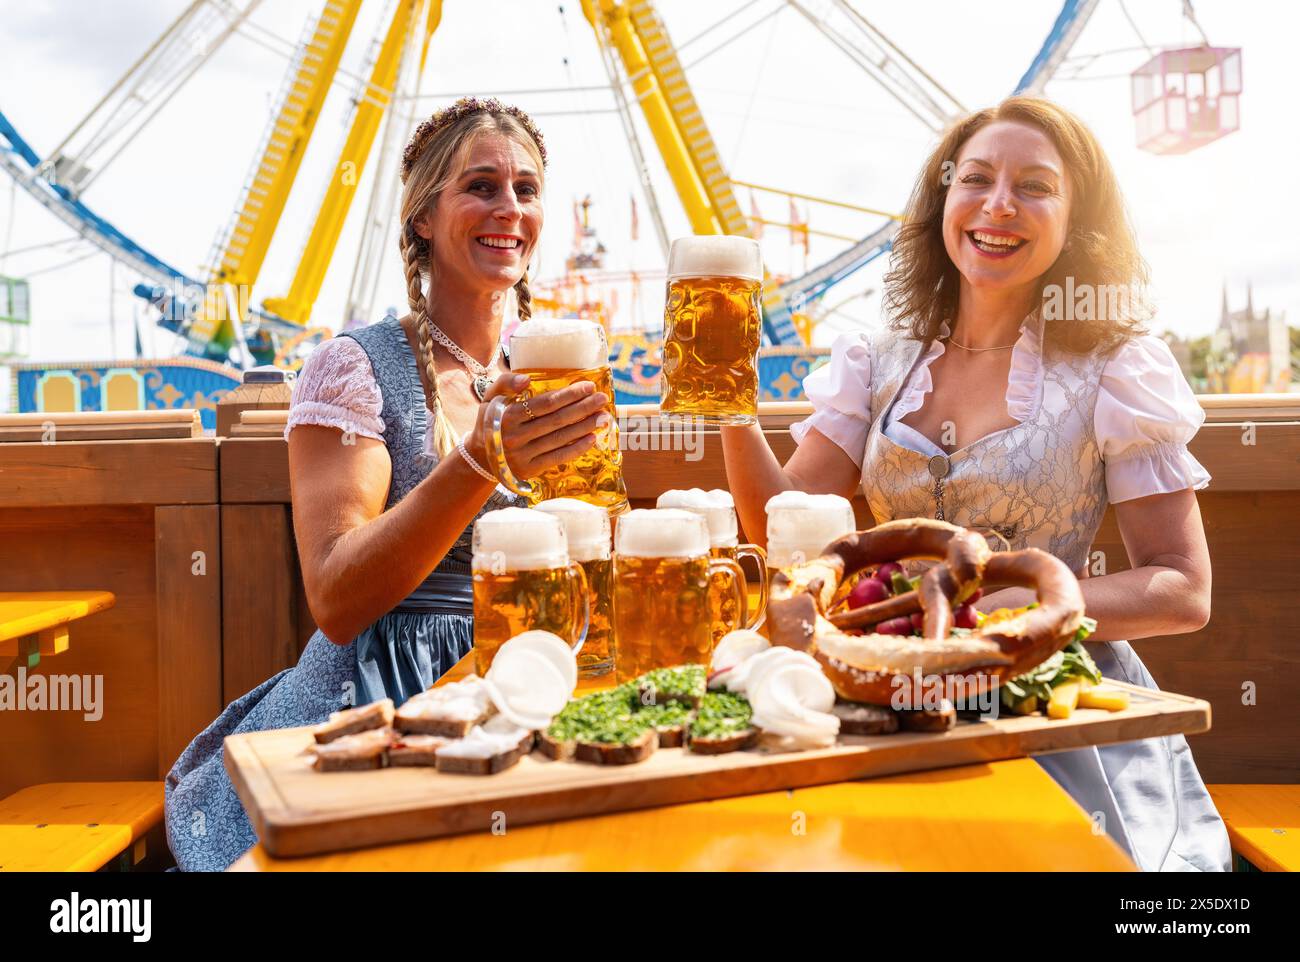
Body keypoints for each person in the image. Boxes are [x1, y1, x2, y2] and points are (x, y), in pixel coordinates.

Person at [721, 96, 1230, 872]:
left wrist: (1011, 605)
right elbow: (779, 530)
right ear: (944, 201)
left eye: (1035, 186)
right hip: (884, 686)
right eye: (977, 178)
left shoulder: (1118, 370)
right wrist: (726, 401)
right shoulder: (875, 361)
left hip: (1044, 698)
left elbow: (1182, 590)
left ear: (1074, 223)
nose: (998, 204)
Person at [163, 98, 609, 871]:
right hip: (387, 694)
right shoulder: (359, 365)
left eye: (527, 191)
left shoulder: (549, 371)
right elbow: (336, 598)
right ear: (423, 219)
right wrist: (477, 465)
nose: (510, 208)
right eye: (482, 186)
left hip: (532, 679)